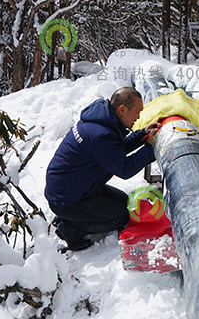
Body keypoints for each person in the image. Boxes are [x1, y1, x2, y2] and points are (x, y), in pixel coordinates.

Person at [45, 87, 161, 251]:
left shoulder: (102, 122)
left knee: (125, 201)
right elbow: (125, 169)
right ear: (122, 109)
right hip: (66, 199)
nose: (139, 117)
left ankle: (72, 217)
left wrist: (143, 134)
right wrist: (149, 149)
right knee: (120, 217)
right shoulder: (99, 135)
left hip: (75, 188)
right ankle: (70, 227)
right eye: (137, 112)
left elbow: (116, 149)